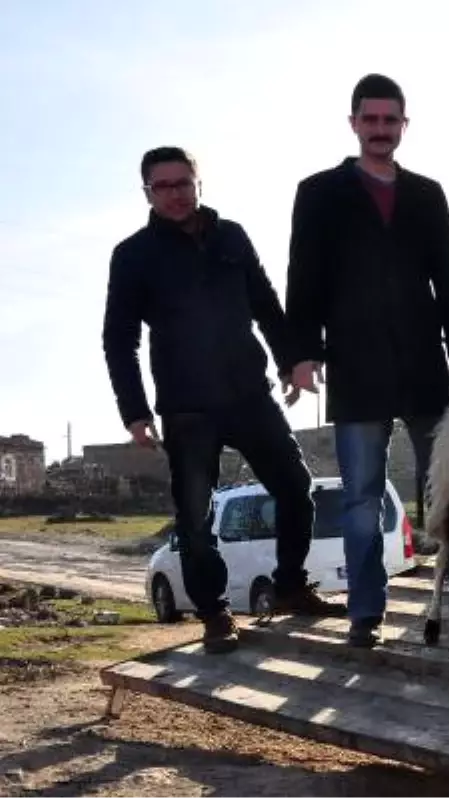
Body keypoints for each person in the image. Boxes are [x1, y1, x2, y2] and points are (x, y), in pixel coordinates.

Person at [285, 73, 449, 649]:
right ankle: (366, 610)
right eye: (369, 120)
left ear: (403, 125)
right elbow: (304, 275)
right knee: (363, 495)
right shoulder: (319, 192)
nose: (379, 130)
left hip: (421, 361)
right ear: (353, 124)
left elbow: (447, 271)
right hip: (355, 364)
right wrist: (299, 353)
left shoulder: (427, 194)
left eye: (389, 121)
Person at [102, 146, 343, 656]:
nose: (174, 193)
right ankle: (214, 614)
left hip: (248, 393)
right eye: (162, 186)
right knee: (195, 516)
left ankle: (292, 585)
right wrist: (135, 412)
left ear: (198, 183)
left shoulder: (231, 236)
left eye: (182, 182)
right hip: (187, 406)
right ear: (146, 192)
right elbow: (119, 339)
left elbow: (266, 304)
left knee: (296, 486)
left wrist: (289, 361)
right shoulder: (133, 255)